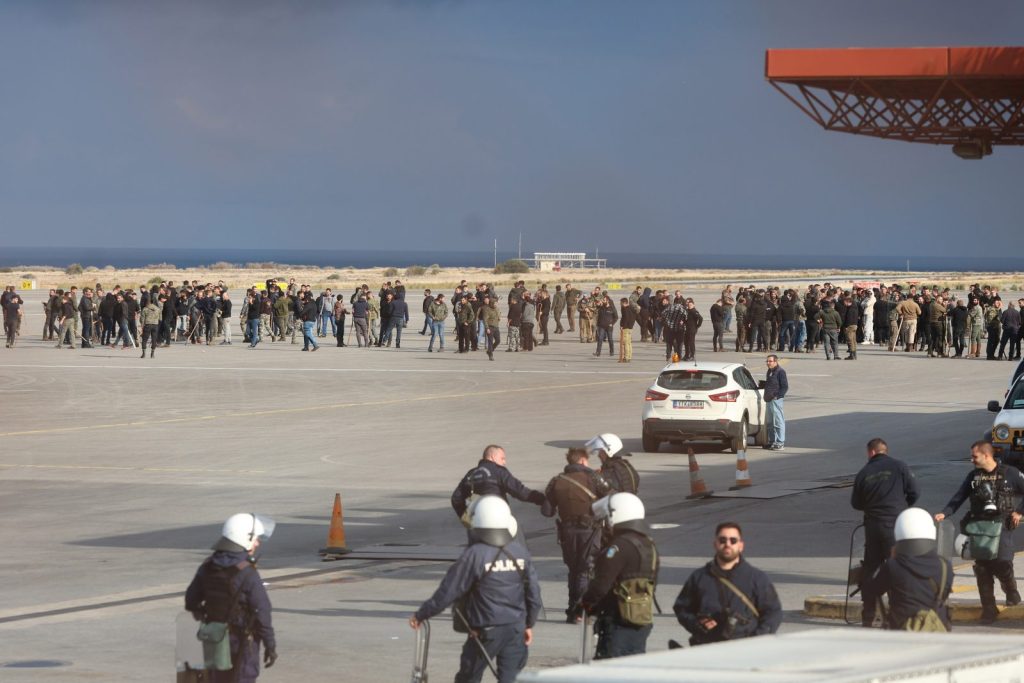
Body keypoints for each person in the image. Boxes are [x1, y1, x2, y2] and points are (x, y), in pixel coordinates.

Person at [409, 496, 541, 683]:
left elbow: (448, 591)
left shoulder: (475, 555)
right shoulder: (520, 552)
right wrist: (528, 624)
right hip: (515, 627)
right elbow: (533, 593)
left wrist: (422, 614)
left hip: (487, 629)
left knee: (469, 677)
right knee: (511, 678)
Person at [935, 440, 1024, 623]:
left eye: (974, 456)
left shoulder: (1010, 473)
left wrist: (1019, 512)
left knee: (1002, 562)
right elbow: (959, 496)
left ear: (986, 455)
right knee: (982, 568)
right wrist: (945, 513)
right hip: (979, 526)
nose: (971, 460)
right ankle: (989, 609)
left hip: (1002, 525)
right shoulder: (973, 477)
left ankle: (1011, 590)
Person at [185, 513, 277, 683]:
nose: (257, 543)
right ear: (244, 538)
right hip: (243, 642)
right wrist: (270, 645)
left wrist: (211, 617)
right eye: (256, 538)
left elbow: (191, 600)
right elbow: (262, 611)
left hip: (215, 639)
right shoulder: (247, 572)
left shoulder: (207, 566)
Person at [673, 521, 782, 646]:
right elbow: (682, 608)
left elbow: (773, 612)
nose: (727, 544)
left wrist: (757, 640)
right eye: (722, 540)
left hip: (744, 650)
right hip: (707, 648)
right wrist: (697, 624)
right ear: (715, 544)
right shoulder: (699, 577)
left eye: (733, 540)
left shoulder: (756, 578)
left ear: (741, 546)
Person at [579, 493, 659, 659]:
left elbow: (601, 585)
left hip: (617, 622)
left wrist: (586, 604)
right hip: (640, 620)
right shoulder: (649, 545)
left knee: (611, 669)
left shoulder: (618, 547)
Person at [850, 437, 920, 626]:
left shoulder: (864, 472)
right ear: (884, 450)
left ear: (871, 452)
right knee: (896, 568)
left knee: (870, 569)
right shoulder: (900, 466)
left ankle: (868, 614)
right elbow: (914, 492)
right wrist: (901, 507)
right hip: (895, 525)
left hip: (873, 526)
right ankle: (896, 614)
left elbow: (855, 503)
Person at [542, 448, 610, 622]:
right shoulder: (593, 478)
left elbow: (547, 511)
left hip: (566, 532)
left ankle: (572, 610)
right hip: (590, 531)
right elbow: (610, 496)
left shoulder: (556, 481)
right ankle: (580, 611)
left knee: (574, 570)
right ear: (582, 461)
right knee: (585, 570)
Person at [863, 507, 953, 631]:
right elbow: (943, 595)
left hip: (902, 628)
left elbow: (873, 590)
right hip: (936, 628)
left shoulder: (893, 566)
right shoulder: (945, 566)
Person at [451, 445, 547, 528]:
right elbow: (519, 492)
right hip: (498, 519)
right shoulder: (499, 471)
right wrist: (542, 499)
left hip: (477, 521)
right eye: (502, 458)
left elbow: (456, 498)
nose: (504, 462)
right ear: (492, 457)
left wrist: (466, 518)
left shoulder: (471, 474)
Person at [763, 355, 787, 450]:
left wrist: (778, 396)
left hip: (776, 400)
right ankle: (772, 441)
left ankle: (780, 442)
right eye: (767, 361)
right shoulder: (769, 371)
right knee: (770, 423)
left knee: (778, 421)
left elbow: (785, 386)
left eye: (770, 361)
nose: (768, 363)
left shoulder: (781, 372)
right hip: (768, 399)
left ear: (775, 362)